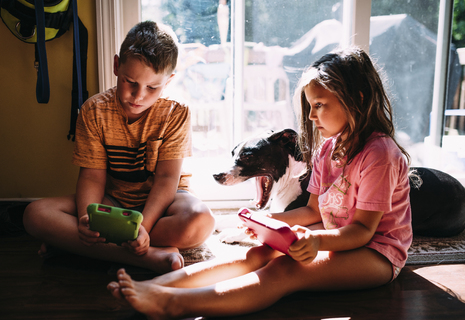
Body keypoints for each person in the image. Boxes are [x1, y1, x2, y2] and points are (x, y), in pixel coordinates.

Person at [107, 46, 413, 319]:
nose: (311, 117)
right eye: (309, 107)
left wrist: (317, 241)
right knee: (258, 252)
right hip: (338, 237)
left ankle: (175, 304)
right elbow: (313, 212)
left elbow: (362, 231)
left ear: (356, 99)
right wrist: (269, 223)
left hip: (378, 254)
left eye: (319, 105)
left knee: (286, 269)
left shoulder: (380, 154)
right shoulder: (327, 149)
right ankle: (156, 286)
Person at [22, 21, 215, 274]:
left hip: (163, 203)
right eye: (130, 82)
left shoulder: (175, 112)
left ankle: (78, 246)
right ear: (116, 66)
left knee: (201, 222)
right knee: (35, 214)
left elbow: (167, 179)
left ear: (168, 81)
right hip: (112, 201)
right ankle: (145, 257)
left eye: (152, 88)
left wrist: (143, 227)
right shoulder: (94, 110)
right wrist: (87, 219)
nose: (138, 96)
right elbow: (91, 176)